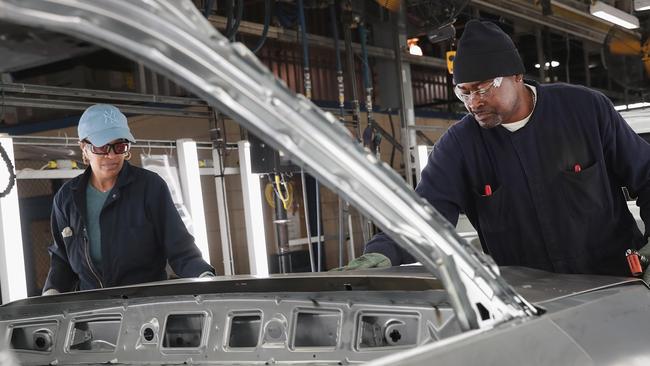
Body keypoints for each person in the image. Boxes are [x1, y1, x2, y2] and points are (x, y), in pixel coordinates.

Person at [351, 20, 650, 277]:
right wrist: (381, 254)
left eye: (482, 88)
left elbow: (646, 176)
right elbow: (423, 215)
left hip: (616, 280)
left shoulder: (585, 110)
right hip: (536, 301)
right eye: (464, 92)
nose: (474, 102)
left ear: (517, 76)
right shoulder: (459, 146)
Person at [43, 104, 215, 295]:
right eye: (102, 147)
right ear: (84, 147)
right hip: (92, 313)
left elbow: (180, 248)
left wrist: (205, 278)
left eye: (120, 146)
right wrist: (51, 293)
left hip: (145, 309)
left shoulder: (149, 187)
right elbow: (62, 260)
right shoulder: (67, 198)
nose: (112, 155)